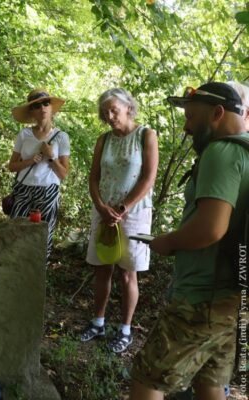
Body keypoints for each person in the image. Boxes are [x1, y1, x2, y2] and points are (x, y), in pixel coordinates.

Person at [130, 82, 249, 399]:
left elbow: (211, 228)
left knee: (146, 379)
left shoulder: (222, 152)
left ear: (217, 113)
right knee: (210, 384)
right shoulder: (246, 152)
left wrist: (168, 242)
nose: (186, 127)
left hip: (200, 298)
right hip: (232, 299)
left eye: (192, 117)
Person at [79, 88, 158, 353]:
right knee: (102, 267)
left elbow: (148, 178)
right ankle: (98, 322)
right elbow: (93, 177)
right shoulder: (104, 140)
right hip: (103, 212)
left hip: (134, 213)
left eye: (114, 110)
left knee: (127, 273)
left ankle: (125, 330)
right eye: (105, 113)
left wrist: (123, 207)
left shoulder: (146, 135)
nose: (110, 116)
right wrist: (101, 207)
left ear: (128, 108)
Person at [8, 88, 71, 263]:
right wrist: (30, 161)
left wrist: (51, 157)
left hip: (48, 191)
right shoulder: (24, 134)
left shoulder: (61, 137)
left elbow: (63, 174)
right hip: (23, 189)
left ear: (51, 108)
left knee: (44, 233)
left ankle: (38, 272)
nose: (42, 108)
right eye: (36, 105)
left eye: (46, 103)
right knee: (17, 231)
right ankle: (16, 269)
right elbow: (12, 166)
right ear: (32, 112)